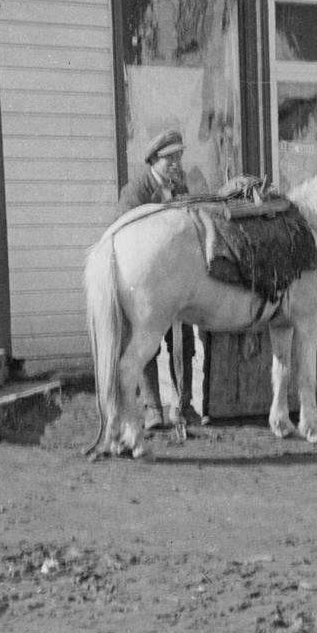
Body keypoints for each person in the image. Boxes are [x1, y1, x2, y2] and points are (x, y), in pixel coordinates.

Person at [117, 129, 201, 432]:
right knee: (148, 343)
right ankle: (153, 408)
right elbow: (125, 236)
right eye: (170, 159)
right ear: (153, 160)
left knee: (184, 341)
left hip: (179, 281)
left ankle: (184, 404)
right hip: (148, 287)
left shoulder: (181, 188)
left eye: (179, 157)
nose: (176, 164)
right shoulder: (135, 191)